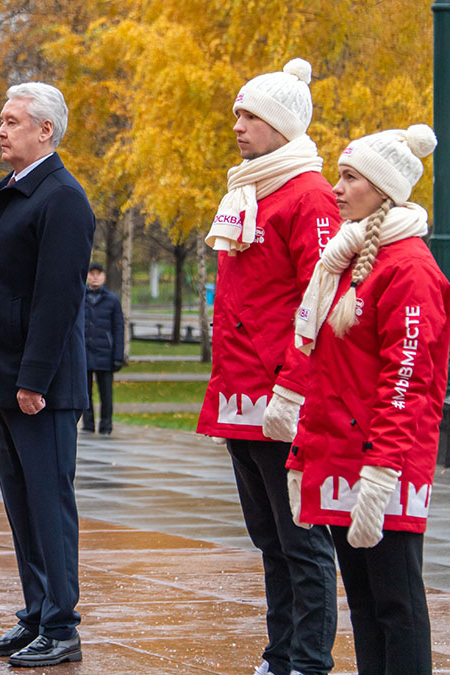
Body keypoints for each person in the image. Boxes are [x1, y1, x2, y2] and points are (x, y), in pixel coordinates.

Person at [198, 58, 340, 675]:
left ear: (281, 125)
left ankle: (308, 660)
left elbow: (320, 299)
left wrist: (293, 388)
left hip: (283, 399)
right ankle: (279, 653)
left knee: (302, 542)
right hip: (239, 394)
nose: (238, 125)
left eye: (250, 114)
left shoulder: (308, 194)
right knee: (269, 540)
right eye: (237, 113)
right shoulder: (247, 187)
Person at [289, 124, 445, 674]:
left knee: (397, 605)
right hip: (343, 455)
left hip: (385, 465)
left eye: (350, 178)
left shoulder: (410, 269)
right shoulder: (352, 256)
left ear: (383, 189)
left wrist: (381, 475)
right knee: (364, 604)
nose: (337, 187)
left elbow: (407, 383)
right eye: (339, 175)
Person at [0, 82, 93, 667]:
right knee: (21, 505)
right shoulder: (19, 191)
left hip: (40, 385)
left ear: (45, 131)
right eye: (2, 119)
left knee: (48, 503)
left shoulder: (62, 198)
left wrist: (34, 379)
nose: (0, 129)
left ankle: (62, 625)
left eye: (12, 121)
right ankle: (37, 614)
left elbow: (56, 299)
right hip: (7, 378)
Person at [82, 262, 124, 435]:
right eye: (91, 274)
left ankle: (106, 425)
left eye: (98, 274)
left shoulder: (112, 299)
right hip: (84, 353)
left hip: (104, 354)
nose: (95, 277)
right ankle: (88, 424)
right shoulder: (80, 297)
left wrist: (118, 355)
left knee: (106, 394)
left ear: (104, 277)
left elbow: (119, 328)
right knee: (85, 393)